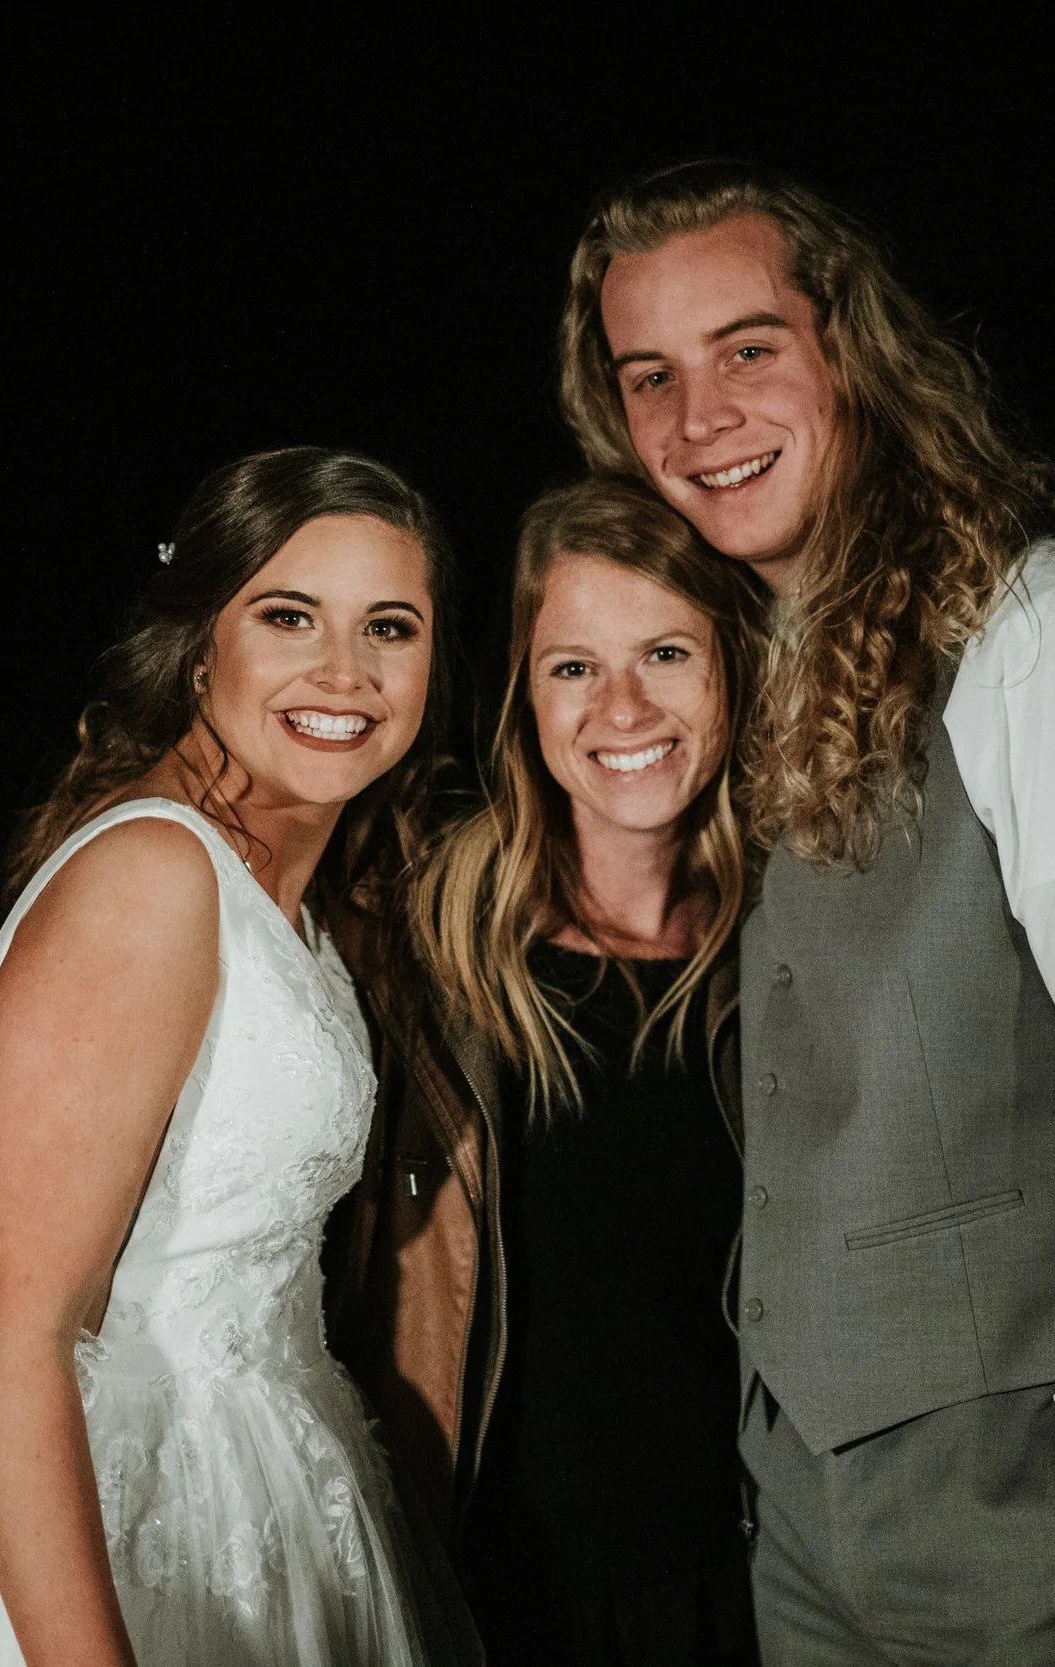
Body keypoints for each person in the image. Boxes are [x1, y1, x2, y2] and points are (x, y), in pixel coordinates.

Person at [560, 160, 1055, 1663]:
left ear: (856, 353)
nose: (699, 421)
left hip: (1032, 1498)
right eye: (651, 377)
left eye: (748, 348)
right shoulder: (745, 665)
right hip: (803, 1504)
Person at [0, 447, 482, 1667]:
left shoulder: (291, 892)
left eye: (391, 625)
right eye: (288, 615)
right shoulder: (154, 875)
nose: (346, 671)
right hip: (127, 1525)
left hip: (269, 1491)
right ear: (200, 643)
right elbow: (16, 1332)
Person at [350, 475, 765, 1664]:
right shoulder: (422, 949)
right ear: (523, 697)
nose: (621, 705)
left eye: (666, 651)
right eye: (573, 665)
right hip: (493, 1587)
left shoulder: (796, 953)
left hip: (748, 1581)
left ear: (731, 665)